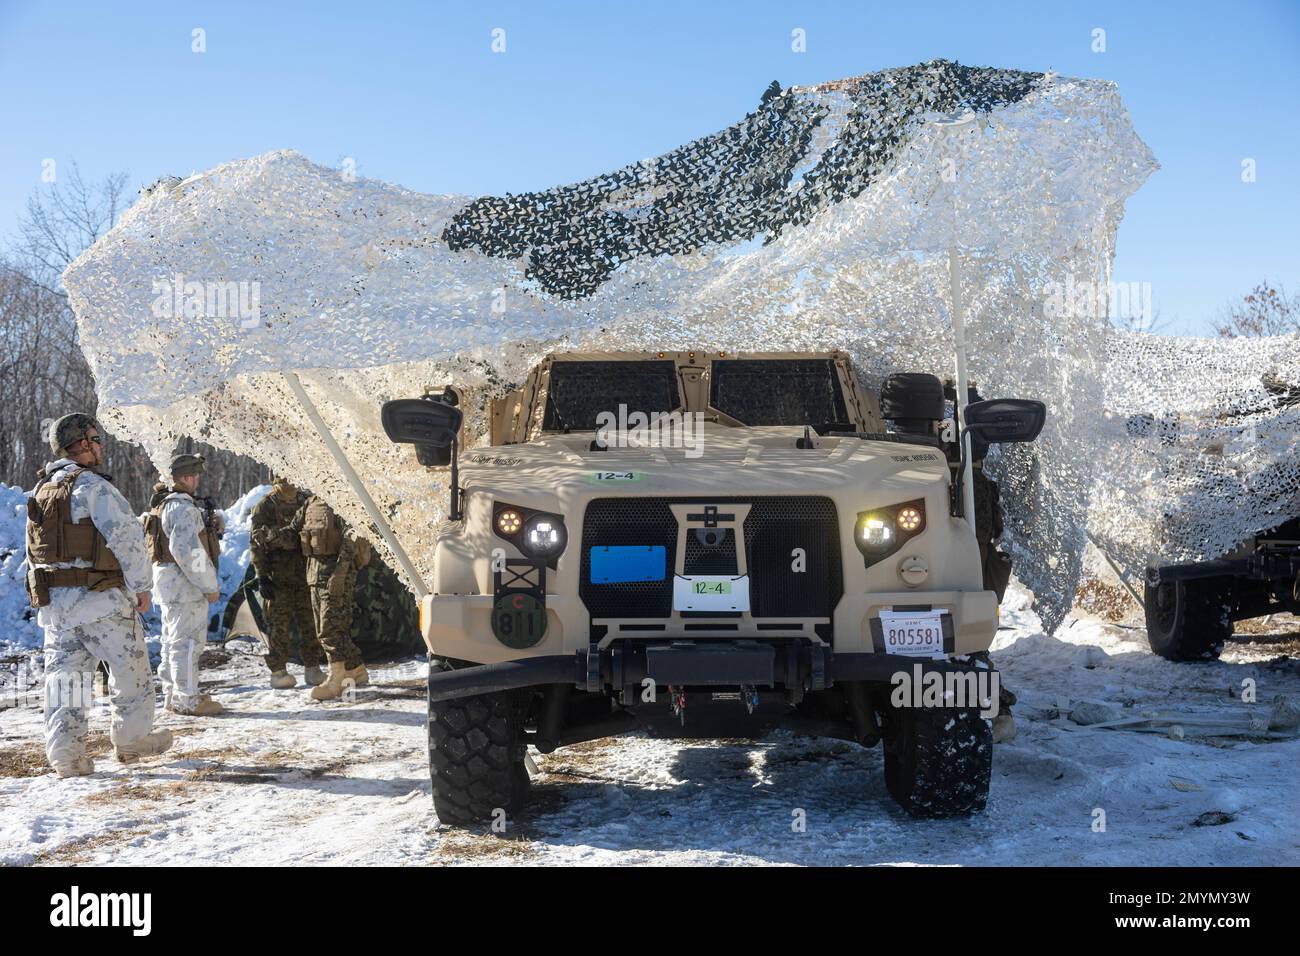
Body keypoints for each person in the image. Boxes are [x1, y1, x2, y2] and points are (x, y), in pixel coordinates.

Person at [26, 414, 173, 776]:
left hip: (57, 607)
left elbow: (34, 551)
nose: (100, 445)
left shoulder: (41, 491)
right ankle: (132, 739)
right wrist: (141, 586)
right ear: (82, 444)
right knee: (130, 670)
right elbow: (126, 538)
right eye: (95, 438)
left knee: (66, 680)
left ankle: (66, 755)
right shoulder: (93, 486)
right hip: (101, 600)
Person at [144, 453, 225, 716]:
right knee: (187, 644)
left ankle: (174, 695)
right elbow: (189, 551)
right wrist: (209, 585)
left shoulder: (164, 505)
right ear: (187, 477)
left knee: (173, 642)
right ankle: (187, 699)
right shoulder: (183, 508)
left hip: (169, 584)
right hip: (185, 586)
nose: (197, 480)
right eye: (195, 475)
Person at [272, 495, 370, 701]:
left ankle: (336, 680)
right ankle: (356, 669)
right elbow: (293, 533)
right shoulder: (311, 503)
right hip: (314, 575)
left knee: (329, 628)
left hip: (336, 576)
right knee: (325, 627)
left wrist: (340, 574)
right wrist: (273, 537)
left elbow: (352, 538)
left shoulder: (342, 498)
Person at [249, 476, 324, 689]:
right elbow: (256, 544)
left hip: (305, 574)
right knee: (278, 625)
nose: (287, 483)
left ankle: (312, 668)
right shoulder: (265, 506)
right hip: (278, 576)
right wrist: (262, 576)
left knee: (309, 622)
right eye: (281, 478)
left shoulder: (305, 501)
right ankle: (279, 671)